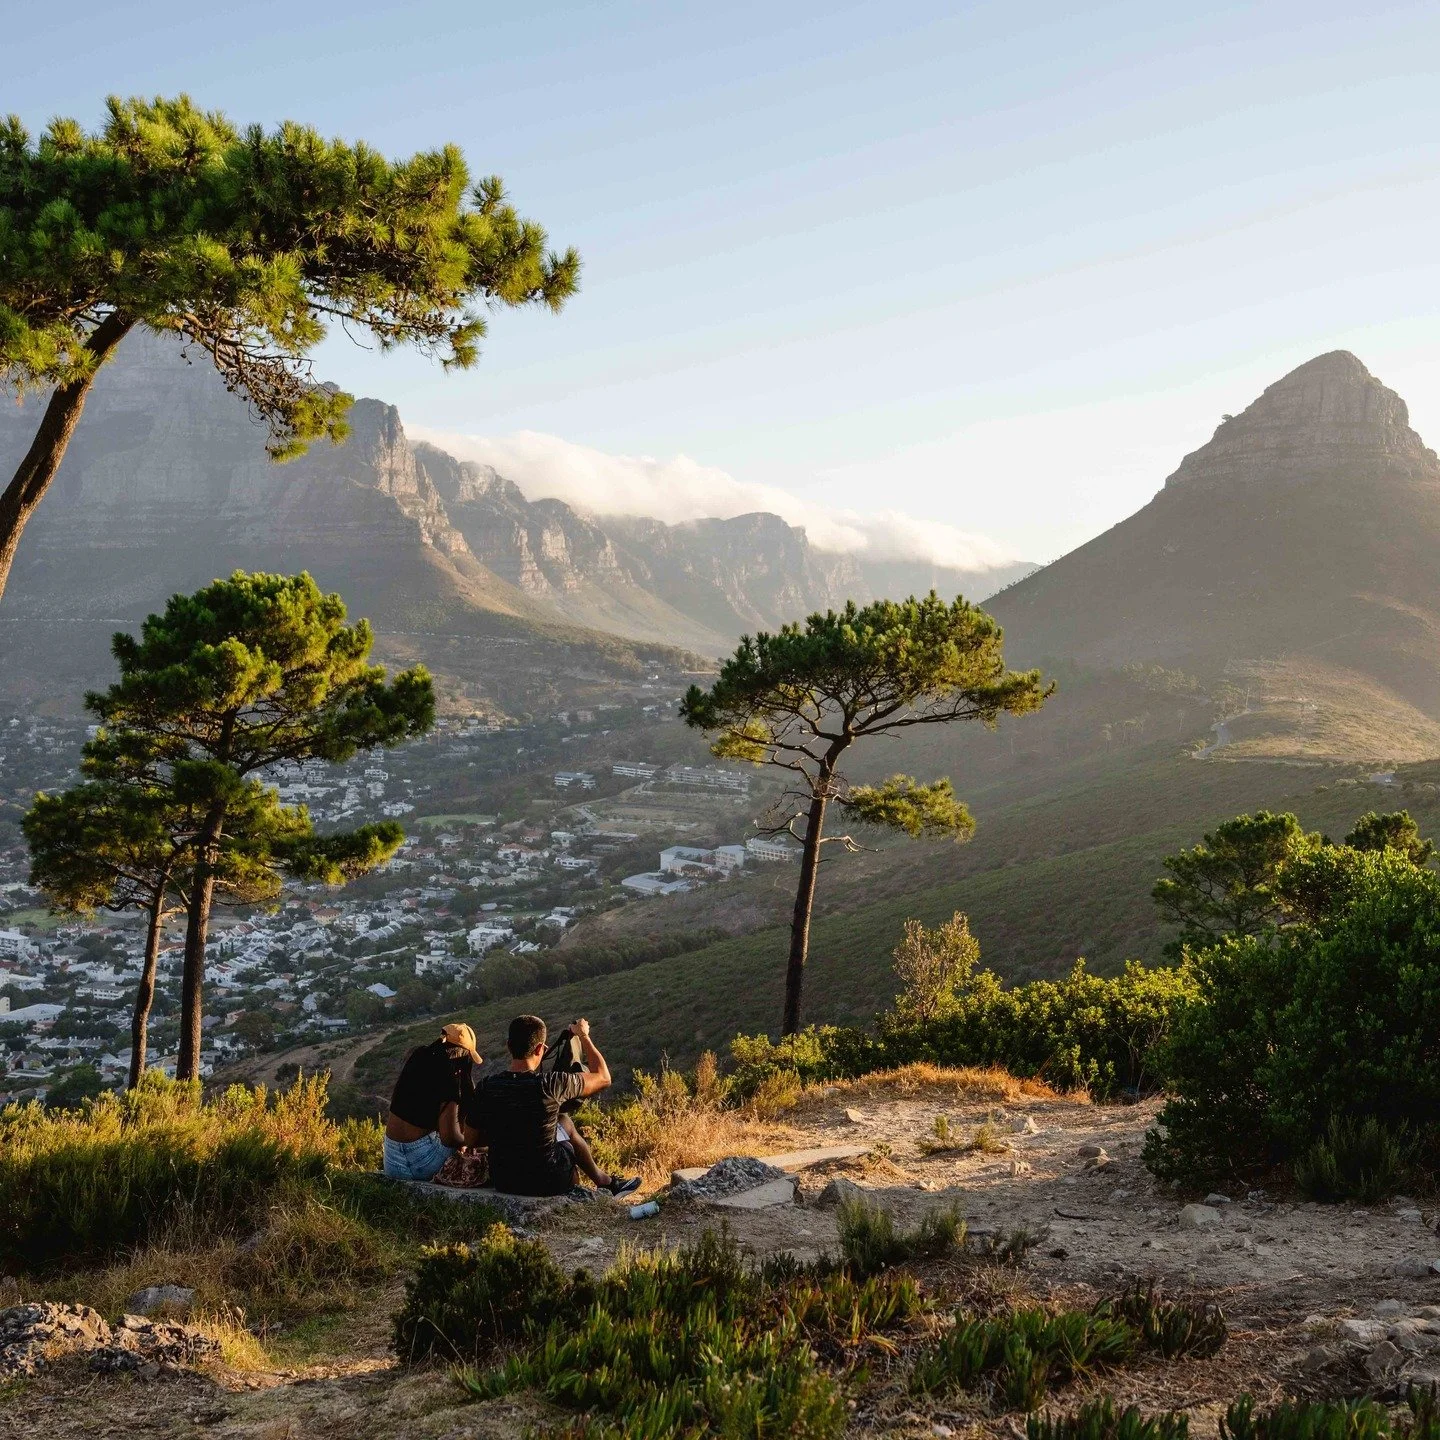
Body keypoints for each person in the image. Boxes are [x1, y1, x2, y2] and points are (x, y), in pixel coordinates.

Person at [467, 1014, 639, 1197]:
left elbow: (470, 1140)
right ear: (541, 1048)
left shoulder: (487, 1086)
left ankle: (604, 1181)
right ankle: (605, 1182)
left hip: (504, 1180)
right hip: (550, 1181)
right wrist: (584, 1036)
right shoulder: (551, 1084)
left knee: (562, 1120)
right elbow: (603, 1077)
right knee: (565, 1124)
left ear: (509, 1046)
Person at [383, 1022, 481, 1181]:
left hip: (391, 1161)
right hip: (419, 1164)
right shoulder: (450, 1076)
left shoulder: (419, 1056)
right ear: (464, 1056)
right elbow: (449, 1138)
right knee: (470, 1150)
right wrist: (473, 1141)